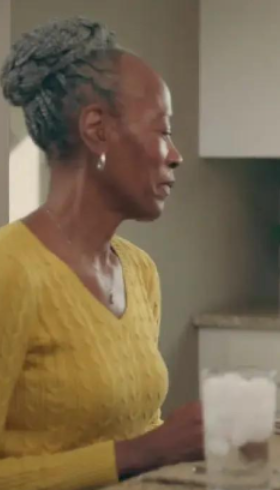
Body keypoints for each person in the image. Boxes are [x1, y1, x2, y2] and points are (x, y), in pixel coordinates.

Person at [0, 17, 203, 489]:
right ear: (97, 130)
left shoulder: (138, 270)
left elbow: (137, 432)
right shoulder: (10, 270)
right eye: (162, 130)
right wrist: (145, 451)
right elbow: (135, 450)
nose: (175, 155)